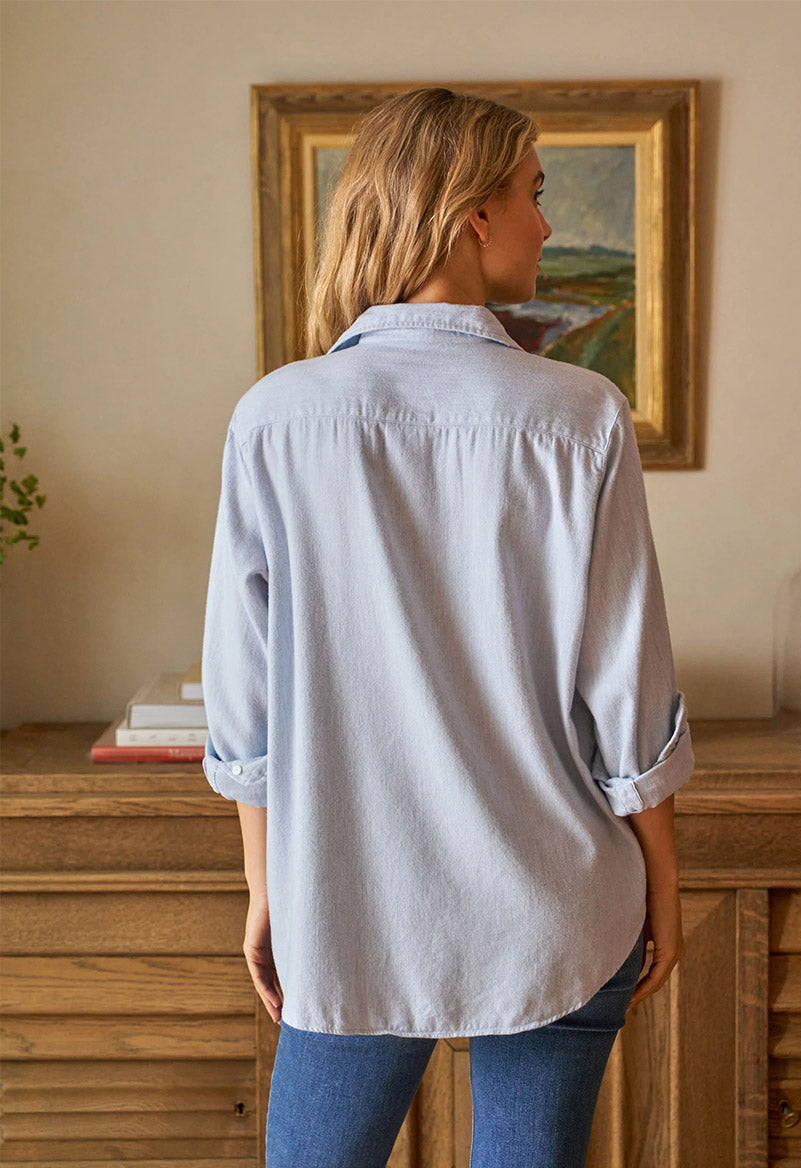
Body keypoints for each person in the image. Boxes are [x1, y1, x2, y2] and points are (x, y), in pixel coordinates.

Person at [200, 86, 695, 1168]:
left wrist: (266, 889)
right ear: (472, 214)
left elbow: (247, 709)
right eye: (534, 193)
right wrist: (663, 874)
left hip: (350, 899)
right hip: (560, 894)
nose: (547, 223)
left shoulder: (275, 417)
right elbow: (627, 689)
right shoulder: (578, 415)